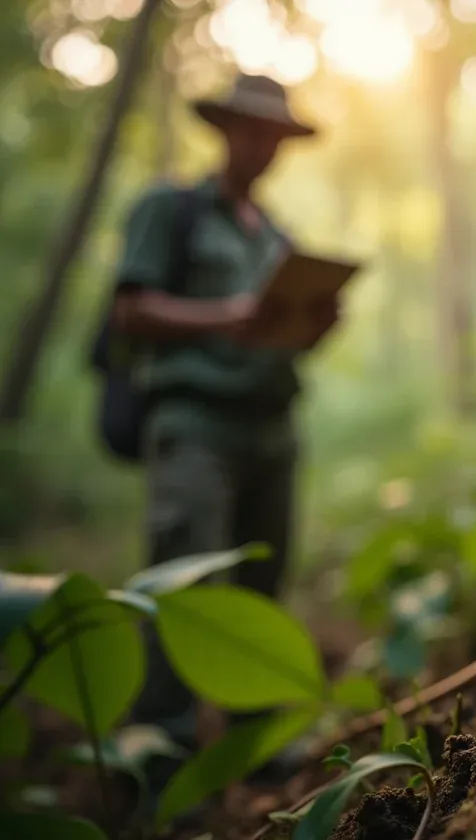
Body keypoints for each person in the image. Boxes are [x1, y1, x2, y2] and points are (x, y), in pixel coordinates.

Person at [109, 73, 334, 802]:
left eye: (275, 135)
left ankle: (253, 732)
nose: (263, 146)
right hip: (194, 423)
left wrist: (312, 324)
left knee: (263, 583)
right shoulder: (170, 210)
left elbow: (278, 335)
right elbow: (130, 309)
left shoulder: (276, 237)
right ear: (225, 128)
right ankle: (161, 741)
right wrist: (223, 315)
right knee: (184, 578)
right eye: (252, 130)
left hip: (272, 427)